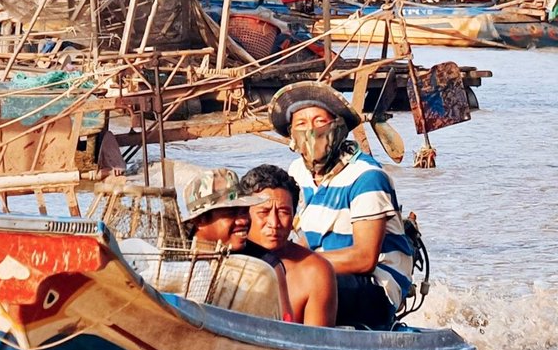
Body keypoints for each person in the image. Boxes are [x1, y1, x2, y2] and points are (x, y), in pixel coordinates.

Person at [269, 82, 419, 329]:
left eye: (319, 121)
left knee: (299, 279)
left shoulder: (366, 177)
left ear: (338, 127)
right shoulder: (298, 173)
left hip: (375, 285)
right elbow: (304, 238)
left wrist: (298, 264)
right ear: (291, 134)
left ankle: (302, 345)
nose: (310, 132)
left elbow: (364, 258)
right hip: (323, 272)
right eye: (301, 124)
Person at [163, 166, 283, 318]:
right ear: (200, 220)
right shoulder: (173, 258)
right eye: (231, 213)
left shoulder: (262, 264)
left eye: (245, 211)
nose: (243, 220)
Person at [232, 167, 337, 327]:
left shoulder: (315, 272)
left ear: (294, 216)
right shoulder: (227, 260)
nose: (274, 223)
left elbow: (316, 345)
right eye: (264, 212)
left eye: (283, 212)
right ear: (245, 215)